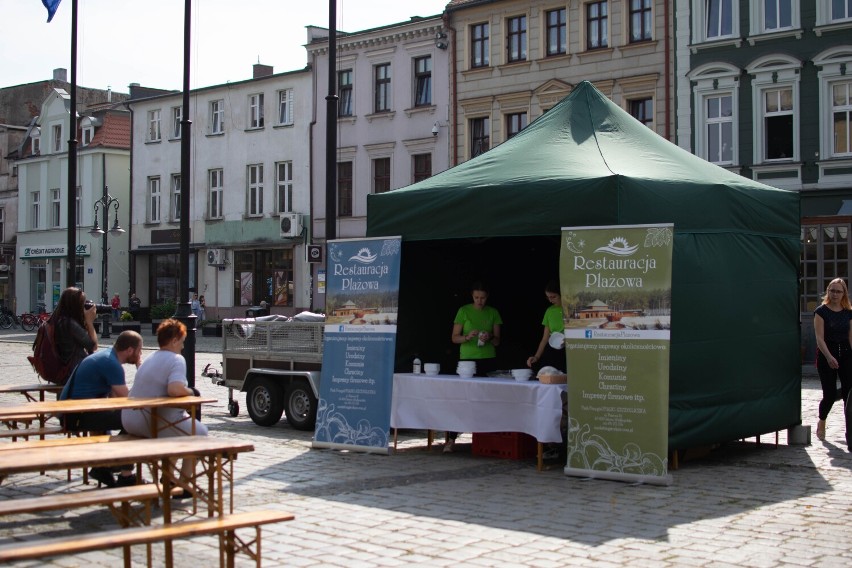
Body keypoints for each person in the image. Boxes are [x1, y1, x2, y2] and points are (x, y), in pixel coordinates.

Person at [122, 318, 207, 498]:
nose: (183, 347)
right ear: (174, 341)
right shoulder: (176, 359)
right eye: (182, 342)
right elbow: (174, 389)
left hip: (130, 419)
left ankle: (169, 478)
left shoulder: (151, 357)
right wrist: (190, 392)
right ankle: (184, 484)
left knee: (179, 434)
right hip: (150, 420)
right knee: (200, 434)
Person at [60, 331, 144, 487]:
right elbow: (129, 400)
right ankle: (117, 466)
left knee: (132, 418)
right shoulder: (110, 363)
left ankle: (107, 465)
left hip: (76, 412)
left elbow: (117, 399)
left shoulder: (108, 357)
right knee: (137, 421)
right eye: (139, 351)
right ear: (130, 350)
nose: (140, 355)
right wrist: (141, 368)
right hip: (76, 416)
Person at [447, 281, 502, 453]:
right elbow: (454, 338)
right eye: (477, 298)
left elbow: (498, 341)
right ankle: (450, 439)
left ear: (487, 298)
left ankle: (487, 439)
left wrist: (489, 336)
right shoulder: (463, 311)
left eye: (483, 298)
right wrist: (467, 337)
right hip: (467, 361)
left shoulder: (493, 312)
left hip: (487, 359)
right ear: (472, 296)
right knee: (461, 399)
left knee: (488, 400)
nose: (479, 301)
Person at [814, 278, 852, 446]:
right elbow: (819, 338)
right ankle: (822, 420)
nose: (835, 294)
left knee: (848, 395)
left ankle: (849, 431)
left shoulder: (849, 312)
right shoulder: (821, 311)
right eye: (832, 290)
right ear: (828, 292)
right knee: (829, 395)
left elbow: (851, 337)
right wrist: (829, 357)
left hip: (846, 354)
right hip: (826, 354)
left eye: (838, 291)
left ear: (844, 293)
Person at [53, 287, 99, 377]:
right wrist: (89, 322)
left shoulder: (59, 320)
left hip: (65, 369)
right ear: (75, 305)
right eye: (83, 304)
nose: (84, 307)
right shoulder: (70, 324)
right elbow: (93, 346)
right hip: (74, 371)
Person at [527, 280, 566, 373]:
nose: (551, 300)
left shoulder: (571, 308)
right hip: (552, 348)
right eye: (548, 297)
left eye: (553, 297)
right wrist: (536, 357)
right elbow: (545, 339)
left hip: (568, 349)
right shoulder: (549, 311)